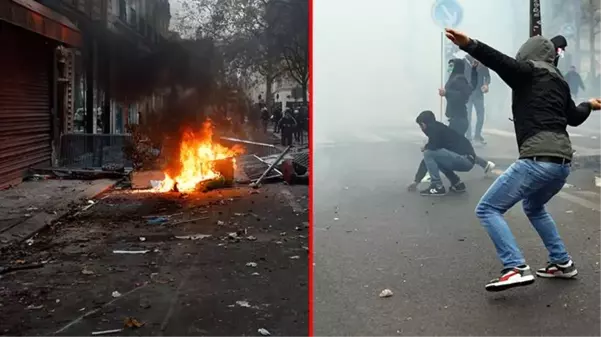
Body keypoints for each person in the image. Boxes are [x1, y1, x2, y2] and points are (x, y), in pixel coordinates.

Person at [445, 28, 601, 291]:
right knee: (534, 207)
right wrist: (590, 104)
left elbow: (498, 60)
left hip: (537, 159)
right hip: (561, 163)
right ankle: (562, 262)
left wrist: (470, 44)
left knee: (488, 209)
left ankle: (514, 266)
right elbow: (574, 116)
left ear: (527, 53)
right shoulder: (559, 81)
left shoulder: (526, 71)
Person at [438, 58, 496, 175]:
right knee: (459, 148)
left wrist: (447, 93)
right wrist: (474, 71)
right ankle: (484, 164)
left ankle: (438, 174)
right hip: (457, 118)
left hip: (458, 119)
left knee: (446, 146)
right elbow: (472, 86)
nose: (449, 68)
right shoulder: (456, 78)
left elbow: (463, 95)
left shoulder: (458, 79)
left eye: (451, 66)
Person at [407, 110, 476, 196]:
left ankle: (437, 186)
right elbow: (428, 160)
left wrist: (426, 147)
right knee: (437, 158)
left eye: (421, 125)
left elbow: (428, 154)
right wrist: (417, 181)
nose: (421, 129)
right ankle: (457, 183)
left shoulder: (435, 131)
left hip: (465, 159)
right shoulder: (439, 129)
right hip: (468, 159)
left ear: (424, 124)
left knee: (428, 153)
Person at [464, 55, 491, 143]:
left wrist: (486, 84)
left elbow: (487, 76)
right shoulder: (466, 62)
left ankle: (477, 135)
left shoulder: (482, 64)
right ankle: (468, 136)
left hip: (478, 93)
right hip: (468, 94)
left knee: (481, 116)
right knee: (467, 116)